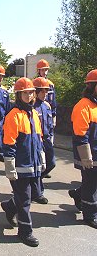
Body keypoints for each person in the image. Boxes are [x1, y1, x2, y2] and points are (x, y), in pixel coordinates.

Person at [0, 77, 45, 247]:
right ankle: (25, 232)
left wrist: (41, 157)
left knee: (34, 193)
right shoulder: (13, 115)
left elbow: (38, 138)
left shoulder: (33, 113)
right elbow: (9, 143)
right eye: (25, 93)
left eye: (31, 92)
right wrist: (10, 167)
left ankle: (10, 206)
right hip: (20, 166)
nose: (29, 95)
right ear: (19, 95)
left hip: (33, 165)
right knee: (25, 199)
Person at [68, 69, 97, 229]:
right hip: (88, 152)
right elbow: (80, 135)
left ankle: (78, 194)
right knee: (91, 183)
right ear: (93, 86)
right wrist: (86, 158)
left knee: (91, 182)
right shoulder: (83, 106)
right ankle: (90, 215)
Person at [31, 77, 56, 204]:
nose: (45, 94)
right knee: (39, 166)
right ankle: (38, 193)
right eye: (43, 91)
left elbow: (50, 123)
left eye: (47, 91)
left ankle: (34, 184)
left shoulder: (47, 105)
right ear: (36, 91)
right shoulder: (32, 107)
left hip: (47, 139)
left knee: (51, 163)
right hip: (37, 140)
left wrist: (51, 136)